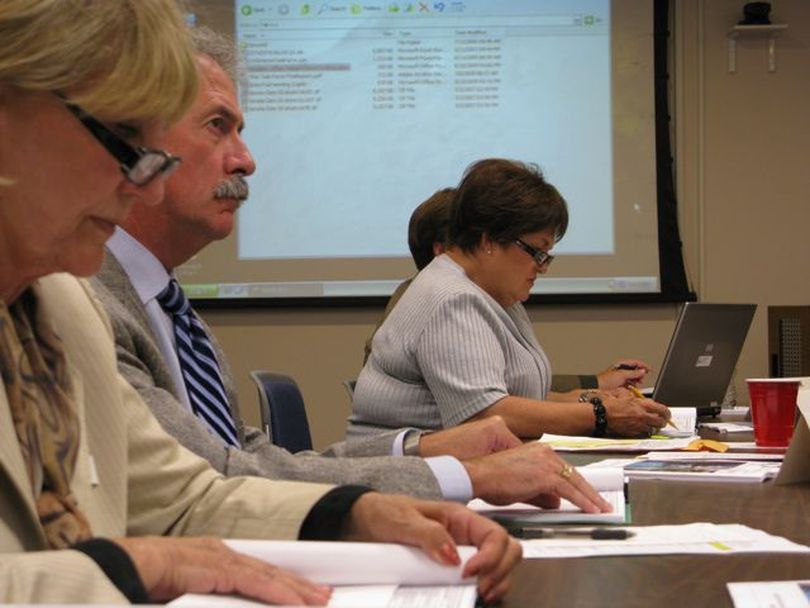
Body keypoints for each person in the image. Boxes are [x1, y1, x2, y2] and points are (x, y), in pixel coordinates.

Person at [0, 4, 521, 604]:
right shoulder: (82, 297)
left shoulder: (60, 307)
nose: (146, 183)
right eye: (124, 138)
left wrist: (354, 513)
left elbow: (187, 498)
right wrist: (124, 570)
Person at [90, 27, 610, 517]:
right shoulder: (91, 306)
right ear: (134, 143)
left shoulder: (170, 308)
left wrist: (423, 449)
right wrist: (457, 476)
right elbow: (216, 478)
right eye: (216, 126)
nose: (246, 161)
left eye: (241, 132)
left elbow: (246, 455)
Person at [348, 158, 672, 441]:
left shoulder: (494, 295)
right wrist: (602, 415)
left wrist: (590, 400)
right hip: (406, 475)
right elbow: (485, 414)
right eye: (536, 251)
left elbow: (514, 398)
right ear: (489, 239)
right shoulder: (450, 298)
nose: (542, 268)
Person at [363, 188, 654, 394]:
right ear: (444, 251)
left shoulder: (499, 300)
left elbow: (516, 390)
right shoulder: (445, 300)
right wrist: (597, 410)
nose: (541, 267)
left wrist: (591, 394)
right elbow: (491, 407)